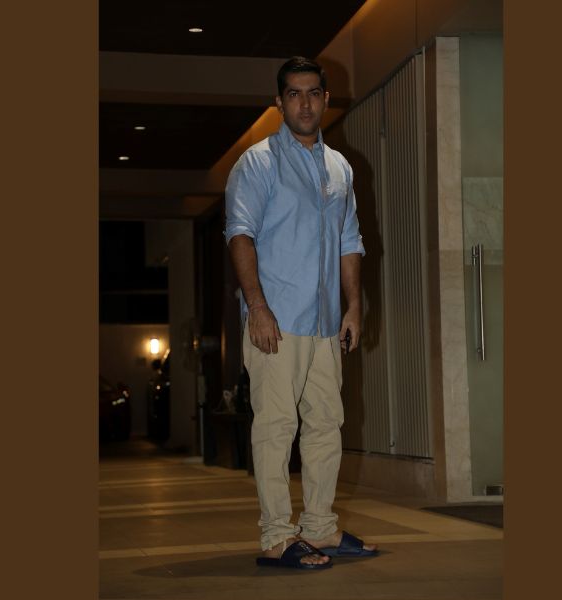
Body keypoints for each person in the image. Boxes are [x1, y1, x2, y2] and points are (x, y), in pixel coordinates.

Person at [225, 56, 377, 569]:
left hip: (325, 322)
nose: (305, 103)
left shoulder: (339, 167)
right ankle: (276, 536)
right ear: (279, 102)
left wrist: (352, 306)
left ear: (326, 99)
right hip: (277, 320)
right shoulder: (258, 163)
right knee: (275, 426)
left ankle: (319, 527)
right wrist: (257, 307)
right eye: (294, 94)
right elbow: (240, 234)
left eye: (313, 93)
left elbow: (349, 241)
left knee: (326, 424)